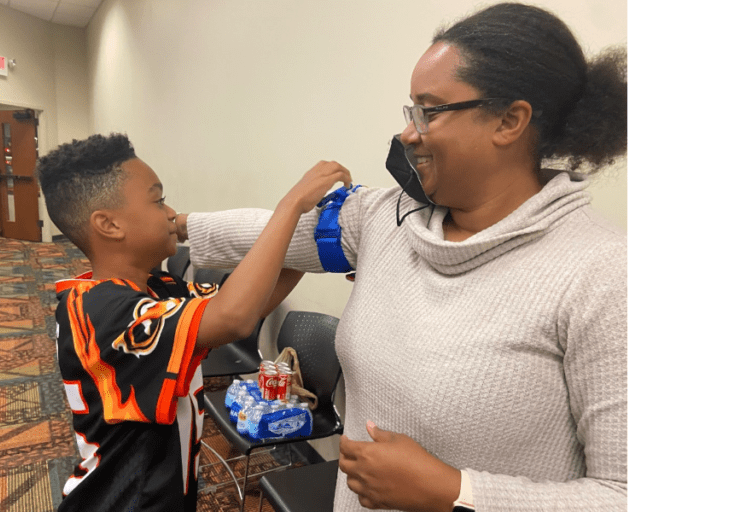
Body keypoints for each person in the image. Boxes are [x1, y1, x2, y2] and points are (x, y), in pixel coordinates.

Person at [173, 3, 627, 511]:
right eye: (411, 110)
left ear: (509, 120)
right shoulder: (387, 218)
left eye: (429, 111)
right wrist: (181, 227)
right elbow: (276, 233)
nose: (409, 134)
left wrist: (457, 493)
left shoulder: (604, 275)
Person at [36, 132, 351, 512]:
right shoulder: (102, 313)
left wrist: (325, 245)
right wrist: (290, 208)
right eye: (158, 200)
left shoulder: (157, 288)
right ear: (109, 224)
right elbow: (232, 319)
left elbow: (251, 300)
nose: (171, 213)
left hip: (164, 490)